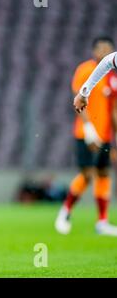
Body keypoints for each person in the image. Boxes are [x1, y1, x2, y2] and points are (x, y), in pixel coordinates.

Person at [56, 37, 117, 236]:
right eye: (101, 48)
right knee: (87, 174)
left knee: (104, 173)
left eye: (108, 48)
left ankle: (102, 222)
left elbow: (114, 110)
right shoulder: (85, 69)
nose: (105, 51)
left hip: (106, 134)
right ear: (94, 50)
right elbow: (78, 99)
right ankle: (65, 212)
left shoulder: (112, 77)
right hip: (86, 133)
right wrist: (89, 127)